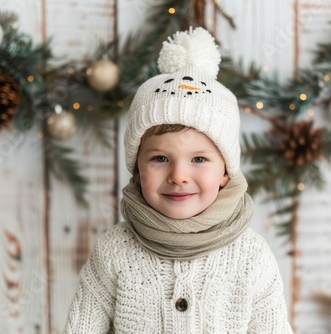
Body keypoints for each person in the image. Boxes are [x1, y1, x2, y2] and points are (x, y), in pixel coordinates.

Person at [63, 27, 293, 334]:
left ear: (226, 171)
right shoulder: (113, 252)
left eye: (199, 159)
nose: (179, 177)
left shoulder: (252, 257)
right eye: (160, 159)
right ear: (137, 168)